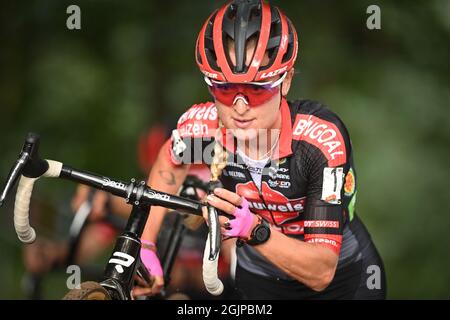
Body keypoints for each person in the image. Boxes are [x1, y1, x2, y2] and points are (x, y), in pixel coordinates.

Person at [134, 0, 386, 300]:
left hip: (343, 283)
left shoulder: (317, 143)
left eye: (256, 89)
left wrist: (255, 229)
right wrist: (146, 244)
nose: (240, 107)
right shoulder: (209, 135)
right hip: (262, 281)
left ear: (286, 81)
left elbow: (321, 272)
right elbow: (171, 161)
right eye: (225, 89)